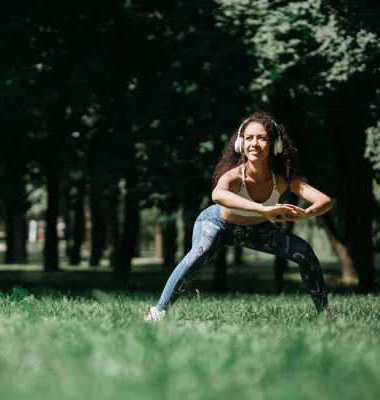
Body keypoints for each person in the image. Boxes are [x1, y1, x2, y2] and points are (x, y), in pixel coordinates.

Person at [144, 111, 336, 322]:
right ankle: (159, 311)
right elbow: (217, 195)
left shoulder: (283, 179)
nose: (254, 143)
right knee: (200, 252)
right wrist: (263, 209)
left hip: (258, 230)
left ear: (275, 144)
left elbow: (325, 201)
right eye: (249, 138)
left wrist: (306, 214)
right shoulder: (234, 176)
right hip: (217, 224)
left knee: (304, 252)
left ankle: (325, 312)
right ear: (240, 144)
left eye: (262, 138)